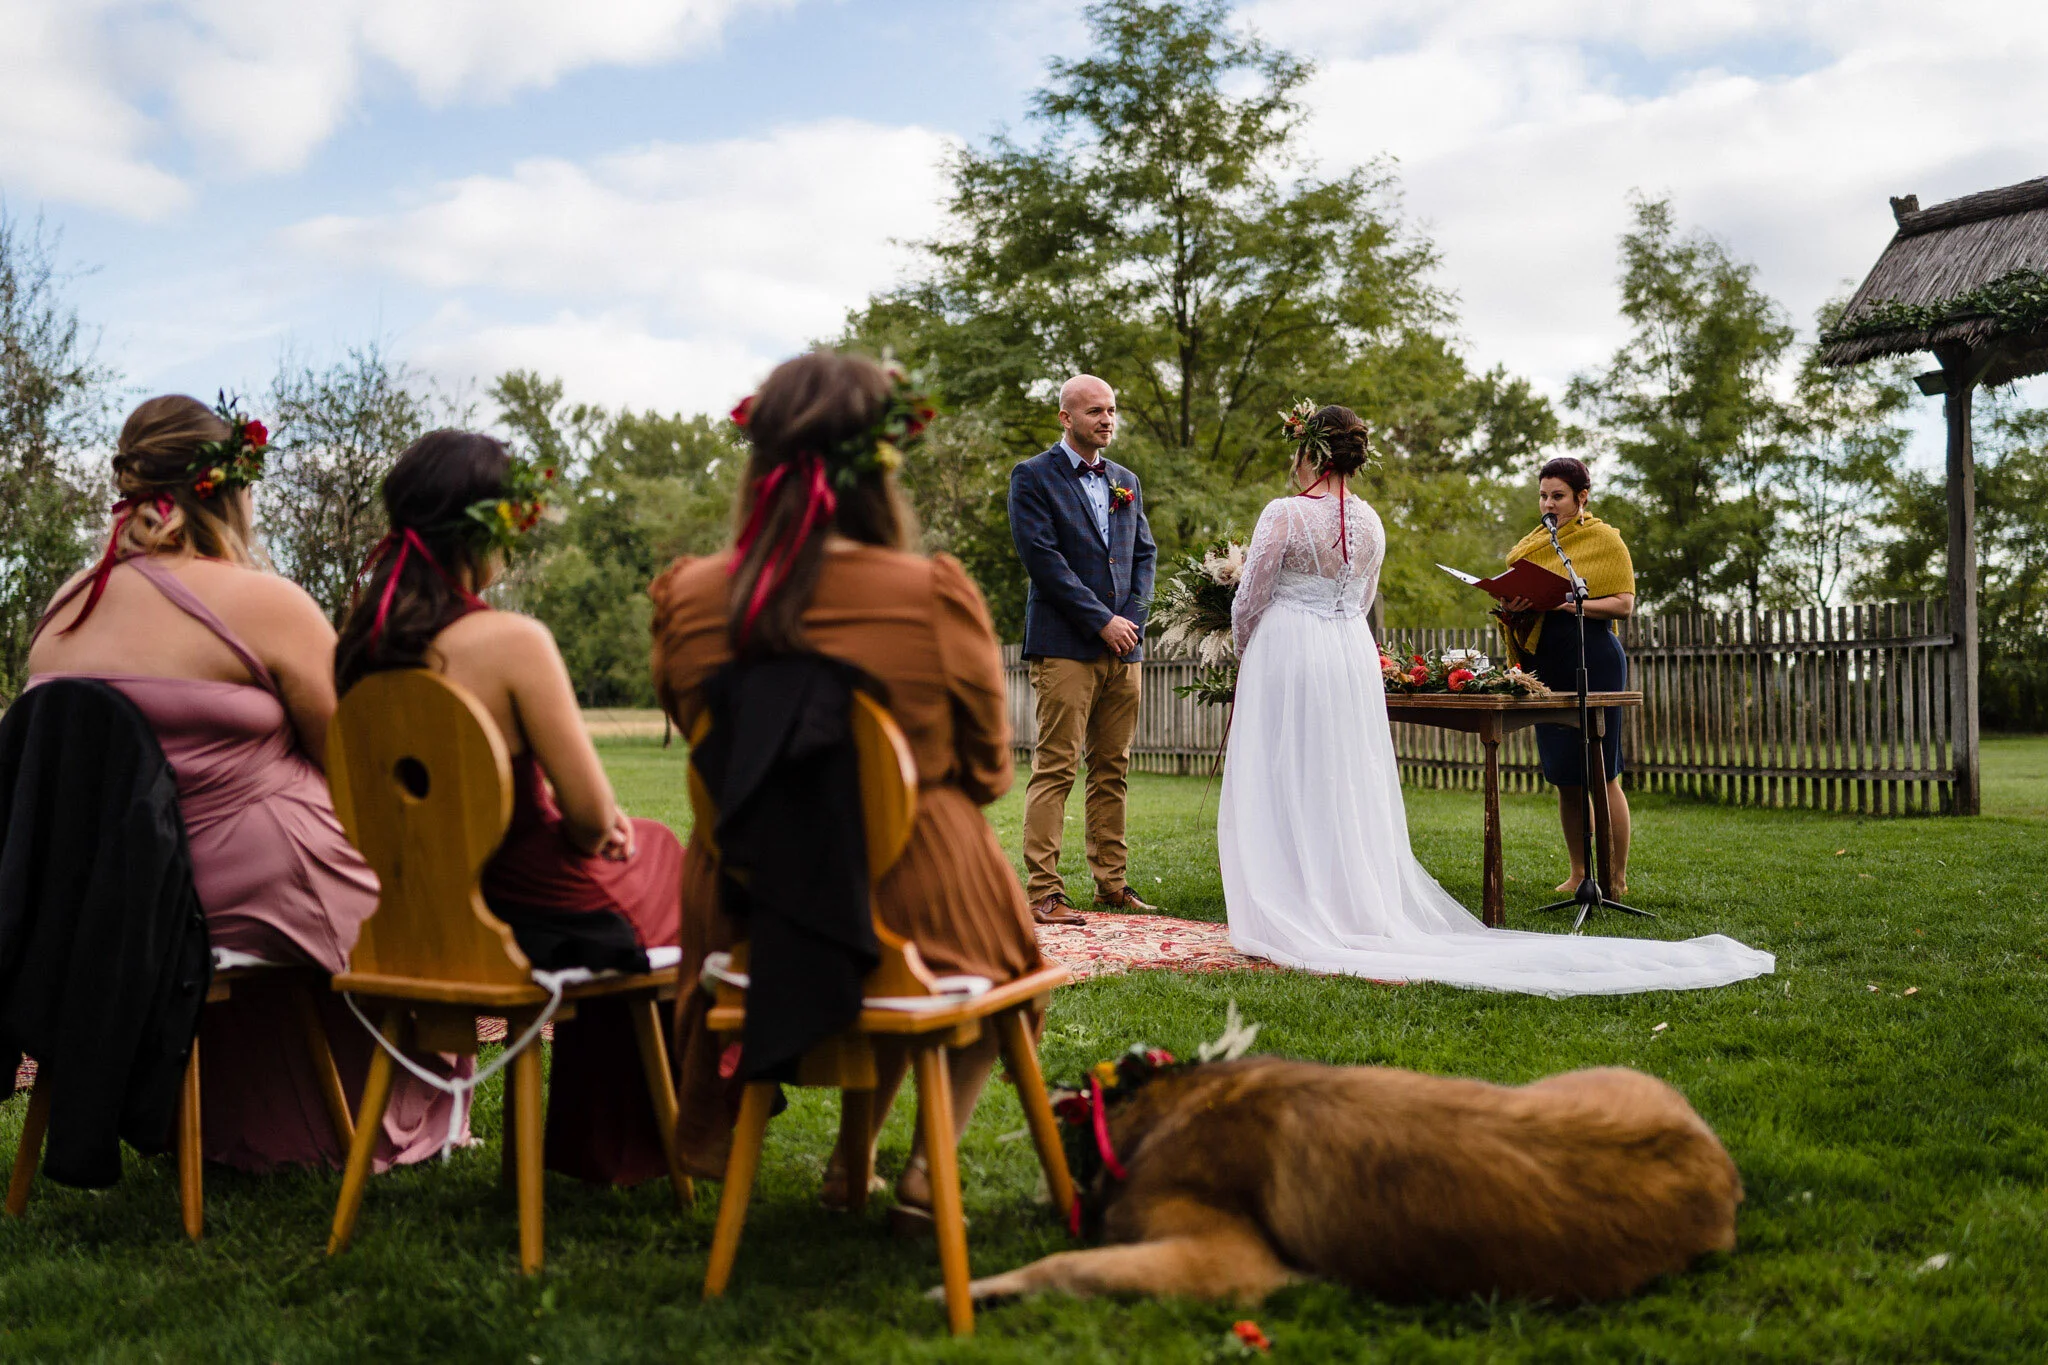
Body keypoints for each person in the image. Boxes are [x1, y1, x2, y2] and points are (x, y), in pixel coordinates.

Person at [650, 349, 1044, 1227]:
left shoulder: (690, 600)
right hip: (910, 899)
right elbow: (987, 771)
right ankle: (922, 1167)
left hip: (746, 909)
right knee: (991, 957)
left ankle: (850, 1158)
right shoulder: (930, 596)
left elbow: (702, 734)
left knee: (872, 897)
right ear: (881, 465)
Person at [25, 393, 465, 1171]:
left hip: (112, 899)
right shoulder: (261, 601)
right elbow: (354, 759)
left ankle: (258, 1122)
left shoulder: (63, 610)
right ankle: (375, 1109)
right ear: (229, 489)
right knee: (428, 879)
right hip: (237, 882)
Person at [1217, 403, 1773, 995]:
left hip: (1291, 649)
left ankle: (1294, 899)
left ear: (1310, 451)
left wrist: (1249, 648)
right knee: (1341, 777)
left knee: (1286, 769)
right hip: (1346, 654)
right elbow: (1359, 602)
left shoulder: (1283, 513)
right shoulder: (1372, 522)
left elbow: (1250, 600)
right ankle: (1345, 900)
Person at [334, 429, 684, 1185]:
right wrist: (598, 827)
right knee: (665, 854)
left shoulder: (359, 651)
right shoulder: (511, 641)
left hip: (411, 919)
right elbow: (589, 817)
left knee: (646, 861)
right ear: (491, 529)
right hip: (531, 909)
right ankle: (636, 1139)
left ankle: (613, 1144)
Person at [1007, 374, 1159, 924]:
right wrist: (1102, 622)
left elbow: (1144, 555)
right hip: (1065, 645)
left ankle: (1111, 885)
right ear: (1065, 417)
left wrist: (1131, 623)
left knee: (1112, 769)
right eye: (1095, 411)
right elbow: (1043, 560)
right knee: (1056, 767)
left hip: (1125, 650)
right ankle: (1044, 892)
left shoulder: (1125, 481)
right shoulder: (1032, 476)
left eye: (1111, 410)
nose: (1107, 419)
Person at [1497, 457, 1636, 896]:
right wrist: (1516, 609)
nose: (1548, 504)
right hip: (1548, 665)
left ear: (1582, 497)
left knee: (1602, 773)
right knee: (1565, 777)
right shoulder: (1531, 545)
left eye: (1558, 496)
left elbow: (1624, 604)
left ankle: (1614, 877)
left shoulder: (1605, 540)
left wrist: (1570, 604)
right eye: (1543, 495)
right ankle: (1579, 872)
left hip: (1595, 659)